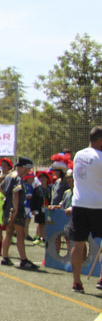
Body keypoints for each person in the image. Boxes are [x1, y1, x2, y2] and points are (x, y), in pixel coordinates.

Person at [70, 126, 102, 293]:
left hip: (79, 203)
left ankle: (76, 282)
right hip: (98, 205)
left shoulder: (78, 155)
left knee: (78, 244)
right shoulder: (100, 158)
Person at [0, 158, 38, 270]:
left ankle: (5, 257)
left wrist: (8, 200)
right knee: (20, 235)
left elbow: (0, 188)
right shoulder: (18, 178)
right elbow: (16, 194)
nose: (28, 171)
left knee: (8, 232)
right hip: (16, 209)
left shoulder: (8, 176)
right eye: (27, 168)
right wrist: (15, 209)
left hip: (7, 208)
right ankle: (23, 260)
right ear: (22, 167)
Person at [31, 169, 52, 246]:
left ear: (47, 179)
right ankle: (39, 237)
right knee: (40, 223)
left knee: (47, 223)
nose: (42, 179)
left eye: (44, 178)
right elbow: (33, 200)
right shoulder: (36, 189)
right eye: (41, 178)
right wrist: (33, 209)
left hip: (48, 208)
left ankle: (45, 237)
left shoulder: (50, 189)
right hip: (39, 209)